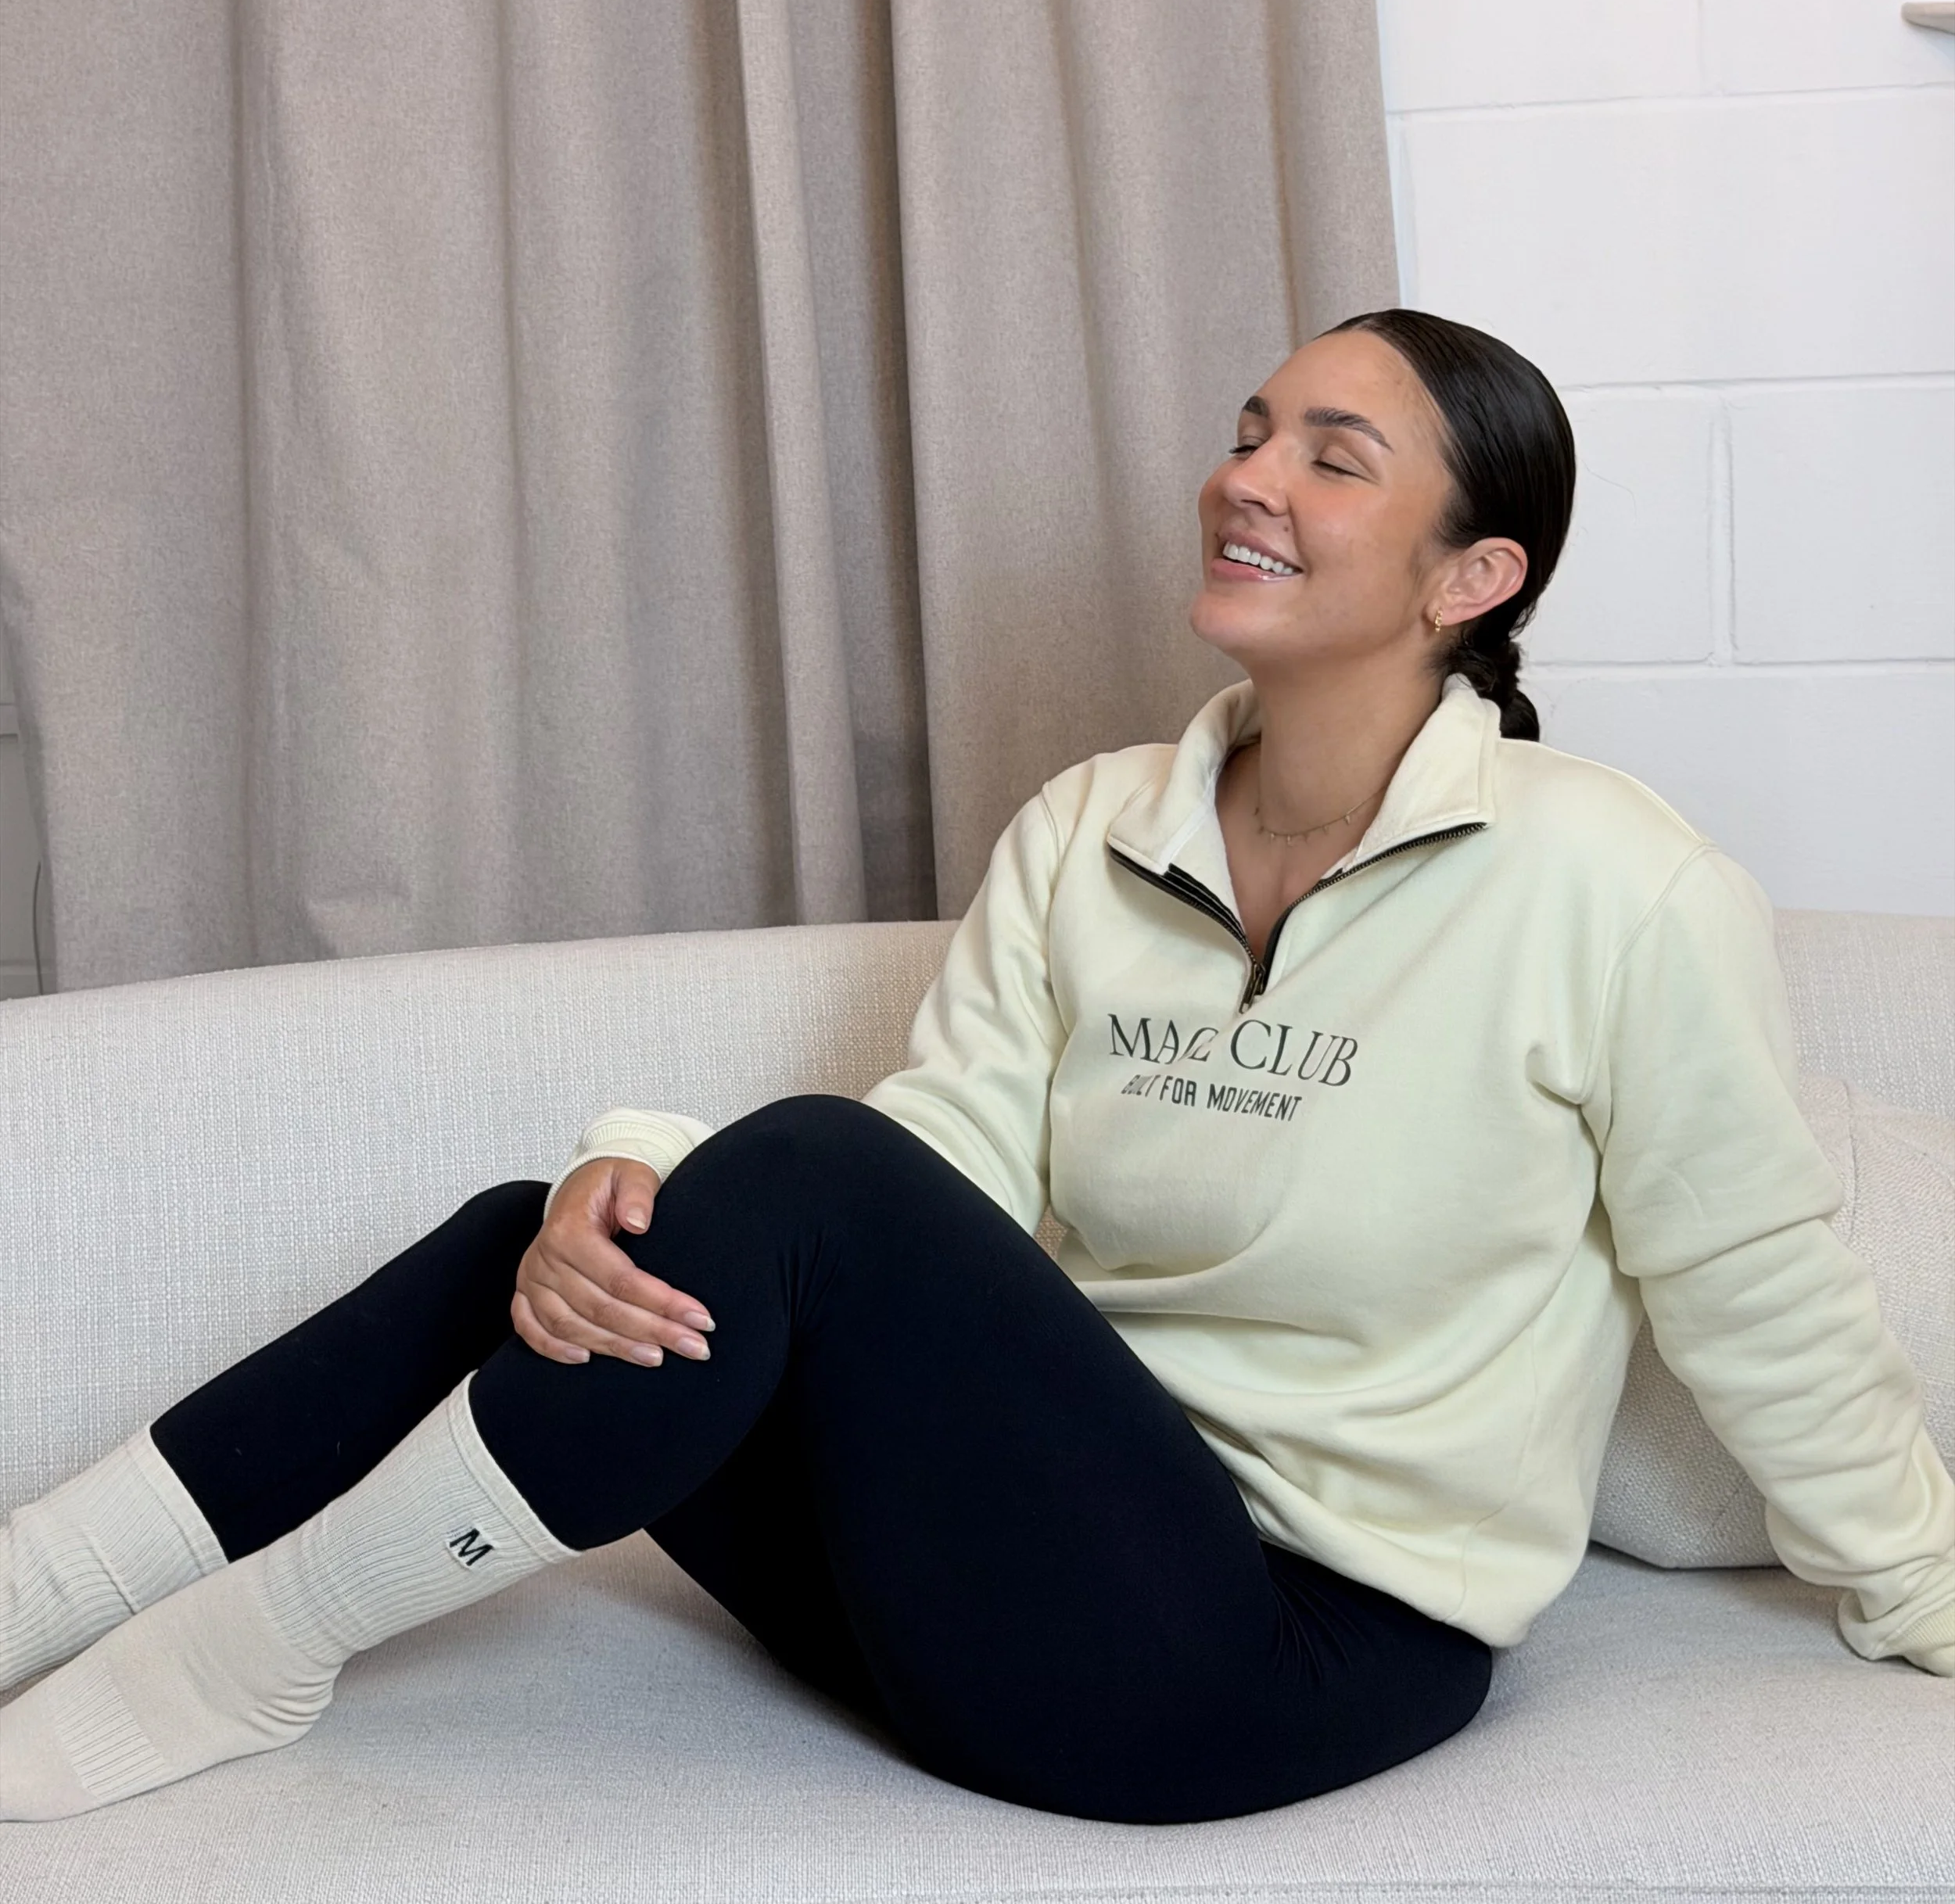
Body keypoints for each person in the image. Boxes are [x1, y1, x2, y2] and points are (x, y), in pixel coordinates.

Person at [4, 309, 1950, 1828]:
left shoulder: (1614, 885)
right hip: (986, 1571)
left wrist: (1918, 1583)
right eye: (1246, 429)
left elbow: (1751, 1281)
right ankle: (32, 1589)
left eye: (1330, 458)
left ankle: (259, 1651)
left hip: (1261, 1659)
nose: (1246, 476)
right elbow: (928, 1174)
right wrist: (633, 1181)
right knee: (529, 1237)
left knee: (795, 1175)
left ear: (1470, 576)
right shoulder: (1092, 824)